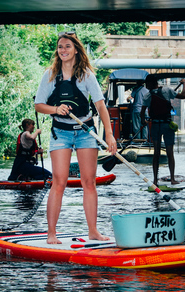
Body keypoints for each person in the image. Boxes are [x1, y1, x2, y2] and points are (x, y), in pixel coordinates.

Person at [34, 31, 117, 244]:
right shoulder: (50, 75)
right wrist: (55, 109)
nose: (63, 50)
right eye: (60, 47)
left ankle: (93, 231)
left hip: (86, 132)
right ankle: (51, 234)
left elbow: (100, 105)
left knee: (89, 182)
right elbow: (39, 105)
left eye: (68, 46)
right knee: (59, 182)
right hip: (60, 133)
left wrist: (109, 135)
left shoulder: (87, 75)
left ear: (76, 50)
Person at [140, 75, 185, 186]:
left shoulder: (147, 96)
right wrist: (184, 84)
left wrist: (143, 121)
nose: (146, 86)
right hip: (167, 125)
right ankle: (173, 179)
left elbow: (142, 113)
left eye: (147, 84)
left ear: (150, 84)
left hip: (155, 126)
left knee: (156, 153)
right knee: (170, 153)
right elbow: (183, 96)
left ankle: (155, 180)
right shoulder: (167, 90)